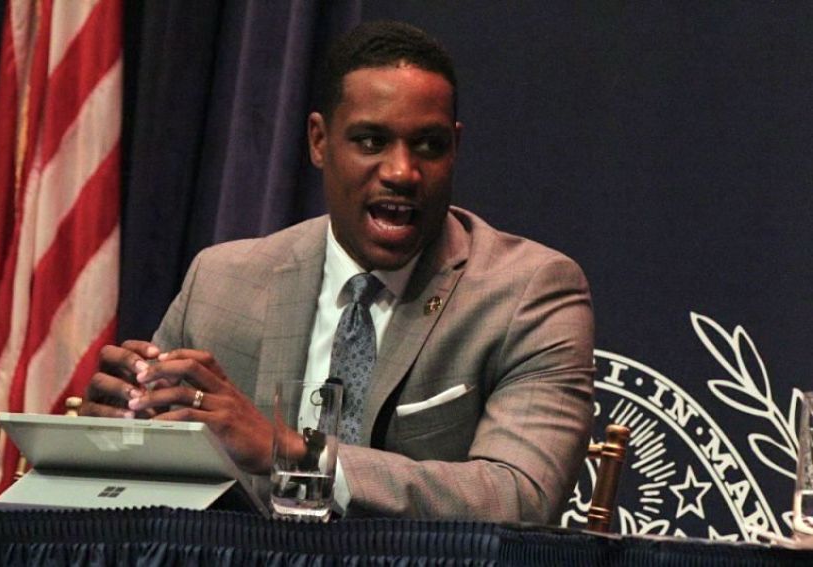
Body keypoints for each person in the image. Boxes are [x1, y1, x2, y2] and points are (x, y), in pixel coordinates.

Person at [84, 20, 594, 523]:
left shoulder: (528, 292)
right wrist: (118, 439)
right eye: (371, 141)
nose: (401, 172)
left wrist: (292, 453)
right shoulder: (221, 281)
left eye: (429, 145)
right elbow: (156, 481)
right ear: (319, 141)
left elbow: (519, 496)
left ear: (455, 147)